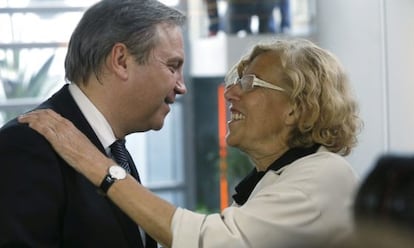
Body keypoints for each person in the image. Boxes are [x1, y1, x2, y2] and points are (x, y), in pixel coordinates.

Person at [18, 38, 362, 247]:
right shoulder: (283, 178)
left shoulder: (321, 178)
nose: (229, 93)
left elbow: (210, 242)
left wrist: (97, 165)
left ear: (296, 108)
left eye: (249, 82)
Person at [0, 0, 186, 247]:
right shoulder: (27, 145)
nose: (181, 87)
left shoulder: (115, 150)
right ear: (120, 60)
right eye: (172, 67)